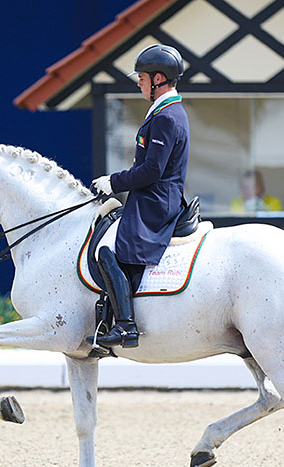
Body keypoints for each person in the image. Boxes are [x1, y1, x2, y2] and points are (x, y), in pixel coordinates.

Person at [90, 44, 189, 349]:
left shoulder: (166, 117)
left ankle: (125, 326)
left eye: (143, 77)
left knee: (105, 250)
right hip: (153, 197)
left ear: (159, 78)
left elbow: (151, 171)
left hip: (155, 201)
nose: (138, 82)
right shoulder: (164, 111)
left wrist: (113, 182)